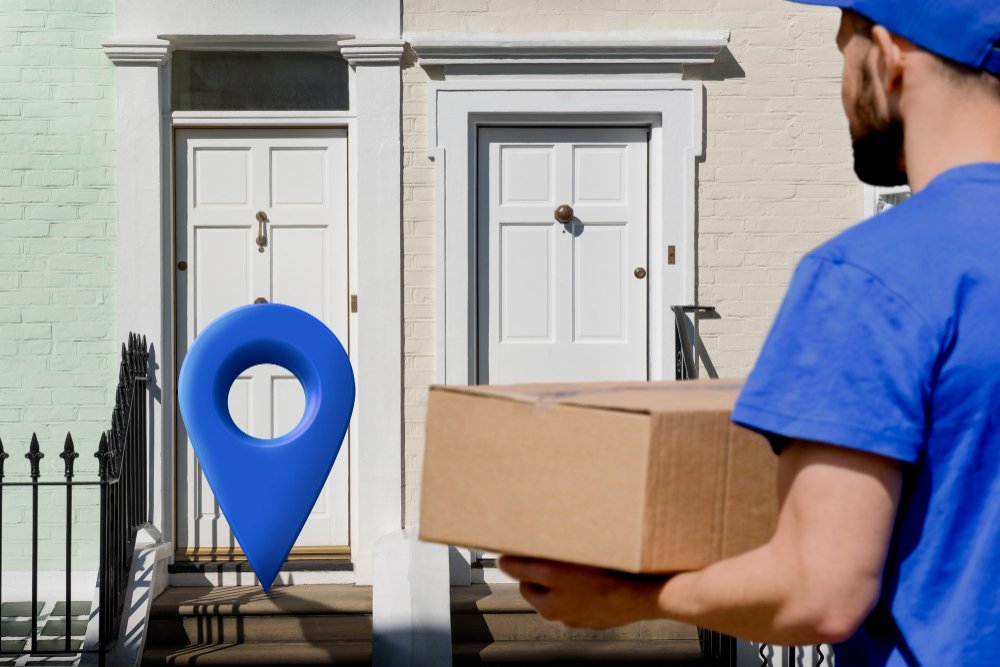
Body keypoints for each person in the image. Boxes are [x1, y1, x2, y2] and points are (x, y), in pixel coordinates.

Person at [498, 1, 1000, 664]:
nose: (843, 82)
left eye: (842, 49)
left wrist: (633, 596)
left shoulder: (872, 275)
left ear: (889, 53)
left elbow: (819, 590)